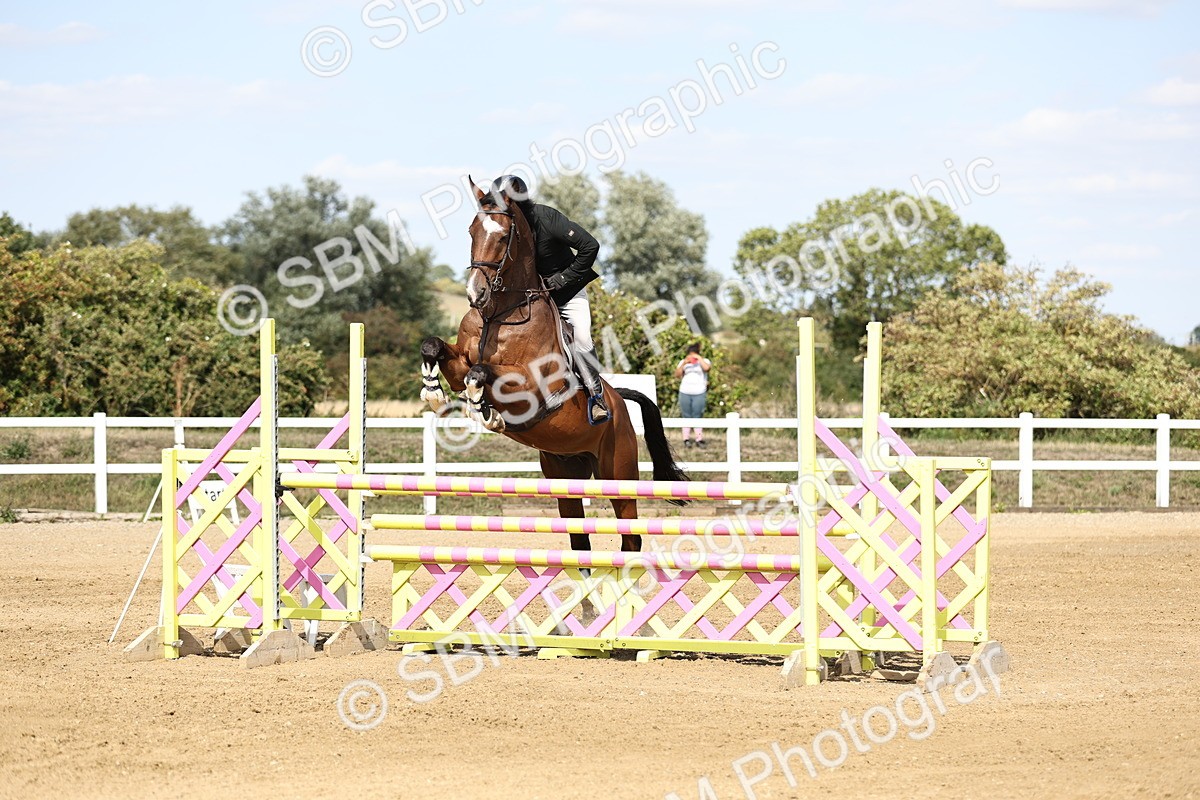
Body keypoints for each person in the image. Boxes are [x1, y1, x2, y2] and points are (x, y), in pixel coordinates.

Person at [490, 175, 609, 424]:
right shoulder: (507, 227)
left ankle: (596, 397)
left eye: (505, 203)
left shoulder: (547, 218)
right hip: (534, 300)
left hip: (567, 294)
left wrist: (563, 279)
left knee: (583, 339)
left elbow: (590, 246)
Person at [674, 342, 711, 447]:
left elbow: (707, 368)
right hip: (685, 391)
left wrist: (698, 358)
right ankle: (686, 439)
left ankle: (699, 439)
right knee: (686, 416)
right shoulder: (683, 362)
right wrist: (685, 363)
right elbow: (677, 374)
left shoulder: (704, 361)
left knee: (697, 415)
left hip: (699, 392)